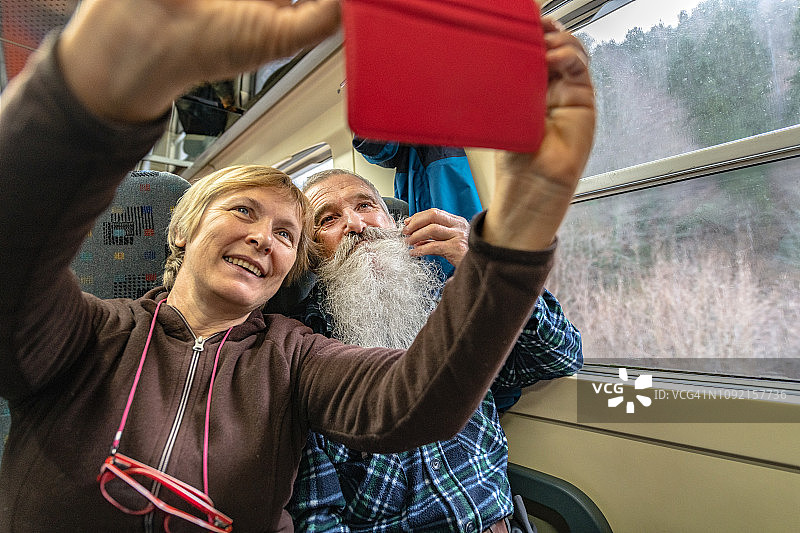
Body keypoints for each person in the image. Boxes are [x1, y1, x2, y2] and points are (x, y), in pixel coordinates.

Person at [0, 0, 595, 531]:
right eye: (242, 211)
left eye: (287, 231)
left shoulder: (293, 357)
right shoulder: (90, 335)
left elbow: (416, 398)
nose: (265, 239)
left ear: (291, 263)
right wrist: (93, 93)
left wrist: (508, 246)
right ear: (184, 227)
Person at [285, 169, 582, 532]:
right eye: (328, 219)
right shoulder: (302, 350)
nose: (356, 224)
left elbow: (559, 355)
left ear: (395, 222)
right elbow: (316, 518)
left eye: (365, 205)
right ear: (311, 253)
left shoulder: (452, 306)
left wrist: (490, 269)